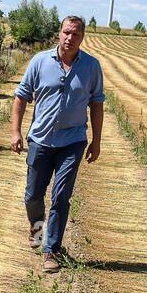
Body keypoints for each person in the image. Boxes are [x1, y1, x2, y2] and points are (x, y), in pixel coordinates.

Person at [10, 16, 104, 273]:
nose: (70, 38)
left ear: (82, 38)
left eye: (75, 34)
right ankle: (37, 228)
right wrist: (16, 131)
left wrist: (96, 140)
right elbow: (21, 96)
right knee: (33, 196)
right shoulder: (40, 61)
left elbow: (96, 104)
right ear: (59, 34)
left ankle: (51, 250)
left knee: (61, 196)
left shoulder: (91, 67)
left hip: (72, 142)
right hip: (40, 139)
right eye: (66, 32)